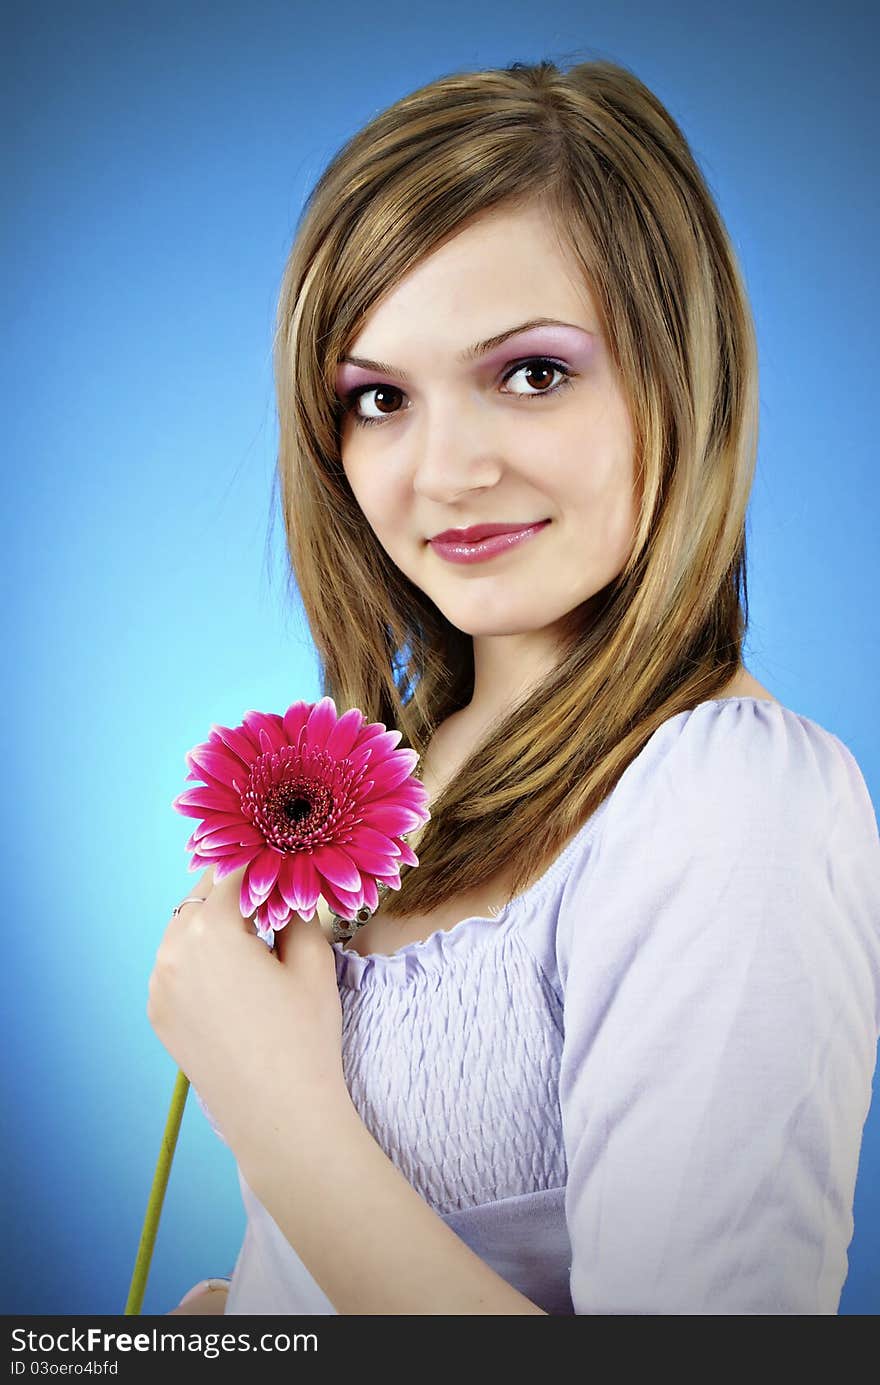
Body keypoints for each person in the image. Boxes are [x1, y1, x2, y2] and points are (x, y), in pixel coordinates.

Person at [151, 56, 880, 1315]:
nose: (443, 473)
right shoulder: (394, 766)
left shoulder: (728, 800)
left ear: (677, 371)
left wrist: (280, 1117)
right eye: (377, 398)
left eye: (530, 372)